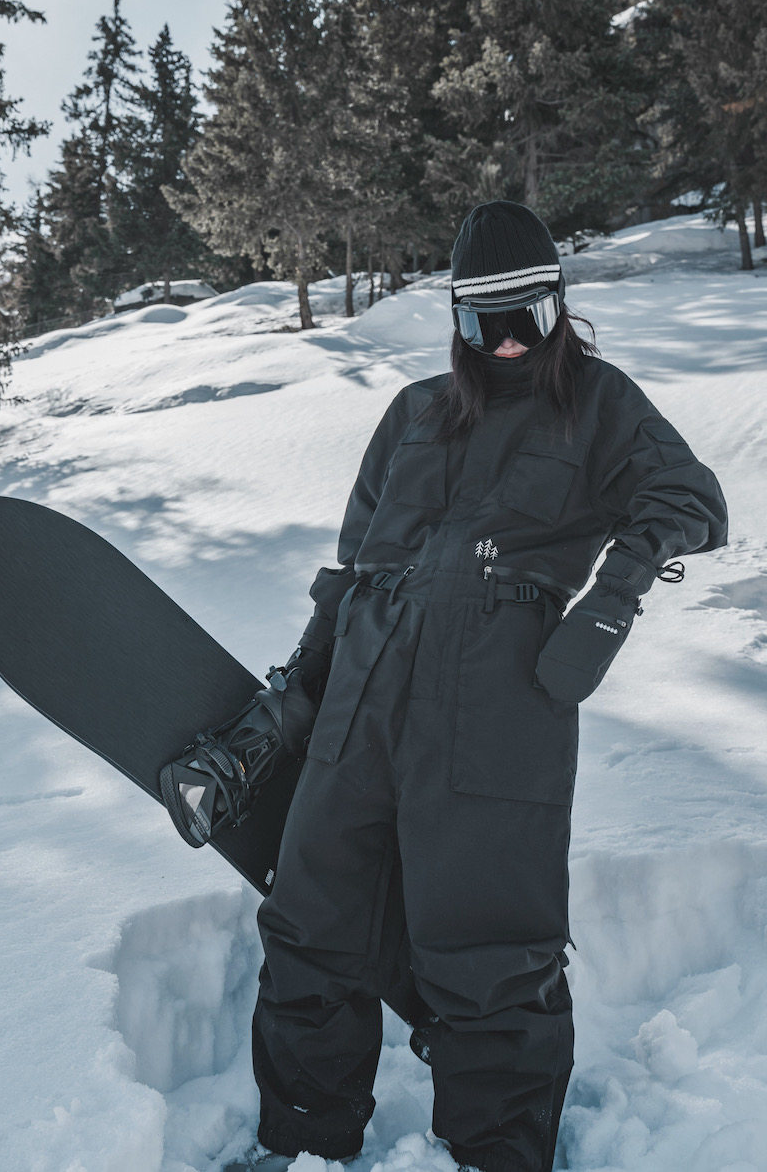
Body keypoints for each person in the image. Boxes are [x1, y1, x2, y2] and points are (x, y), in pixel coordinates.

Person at [230, 201, 728, 1172]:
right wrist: (295, 692)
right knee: (309, 929)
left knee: (491, 951)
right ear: (454, 318)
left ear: (558, 306)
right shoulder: (412, 413)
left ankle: (497, 1154)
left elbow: (690, 497)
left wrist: (611, 597)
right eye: (479, 322)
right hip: (363, 694)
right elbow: (352, 575)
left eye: (524, 319)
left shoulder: (599, 404)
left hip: (497, 700)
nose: (503, 344)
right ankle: (301, 1144)